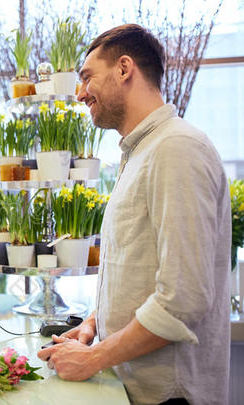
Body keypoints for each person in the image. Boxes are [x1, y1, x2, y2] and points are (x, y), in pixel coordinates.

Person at [37, 24, 231, 405]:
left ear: (124, 69)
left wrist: (93, 358)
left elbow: (183, 300)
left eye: (87, 77)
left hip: (169, 396)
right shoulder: (141, 152)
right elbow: (135, 269)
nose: (80, 93)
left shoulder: (176, 148)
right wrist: (94, 324)